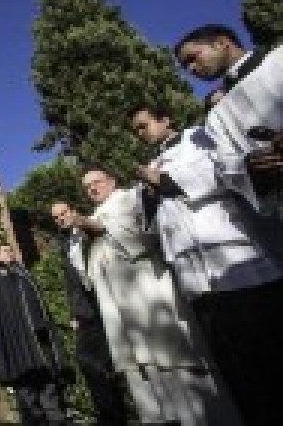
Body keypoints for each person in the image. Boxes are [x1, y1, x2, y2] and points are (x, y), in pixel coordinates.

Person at [130, 103, 283, 425]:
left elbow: (226, 172)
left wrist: (165, 181)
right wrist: (149, 194)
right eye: (136, 130)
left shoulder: (199, 138)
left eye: (144, 125)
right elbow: (150, 226)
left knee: (270, 358)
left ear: (165, 118)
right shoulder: (151, 165)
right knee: (239, 375)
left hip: (238, 267)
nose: (140, 133)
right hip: (196, 283)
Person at [65, 168, 240, 426]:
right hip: (120, 310)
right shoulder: (91, 217)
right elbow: (85, 272)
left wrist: (98, 229)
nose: (92, 188)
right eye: (87, 186)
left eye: (97, 182)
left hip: (149, 296)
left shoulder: (130, 198)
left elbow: (145, 236)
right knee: (143, 374)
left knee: (177, 364)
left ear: (112, 181)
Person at [174, 24, 283, 216]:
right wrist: (249, 166)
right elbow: (226, 163)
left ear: (221, 43)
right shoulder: (216, 114)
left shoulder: (278, 59)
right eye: (186, 66)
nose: (191, 69)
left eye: (192, 58)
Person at [49, 203, 129, 425]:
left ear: (73, 211)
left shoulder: (89, 228)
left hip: (105, 302)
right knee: (87, 362)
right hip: (85, 312)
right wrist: (74, 313)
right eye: (56, 217)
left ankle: (120, 414)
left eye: (63, 213)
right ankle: (111, 417)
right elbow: (71, 281)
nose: (60, 219)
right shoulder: (63, 242)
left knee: (114, 363)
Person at [0, 244, 72, 426]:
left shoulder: (23, 273)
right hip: (18, 345)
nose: (10, 253)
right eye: (5, 251)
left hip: (39, 339)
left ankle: (57, 420)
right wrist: (6, 271)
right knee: (27, 394)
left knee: (49, 387)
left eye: (11, 250)